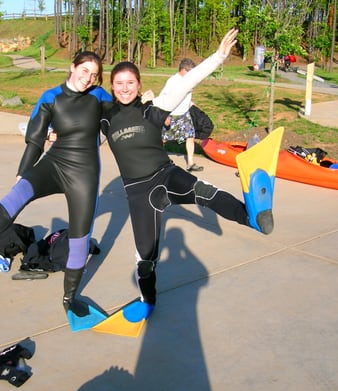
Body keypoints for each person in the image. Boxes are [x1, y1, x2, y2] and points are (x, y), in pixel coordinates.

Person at [100, 28, 273, 308]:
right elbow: (80, 136)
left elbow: (185, 82)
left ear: (139, 84)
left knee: (206, 192)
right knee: (145, 259)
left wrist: (218, 57)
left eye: (130, 82)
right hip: (138, 193)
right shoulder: (105, 119)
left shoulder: (152, 109)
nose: (124, 87)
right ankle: (148, 301)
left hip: (167, 176)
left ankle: (252, 217)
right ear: (111, 86)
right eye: (119, 83)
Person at [0, 51, 112, 316]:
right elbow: (35, 139)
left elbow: (123, 111)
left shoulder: (98, 96)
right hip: (55, 164)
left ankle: (69, 299)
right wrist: (23, 172)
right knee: (18, 194)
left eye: (94, 75)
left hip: (84, 174)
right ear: (72, 67)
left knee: (80, 238)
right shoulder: (51, 97)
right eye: (85, 71)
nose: (89, 78)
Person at [160, 58, 203, 172]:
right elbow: (163, 98)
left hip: (184, 114)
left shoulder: (188, 80)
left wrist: (190, 103)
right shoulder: (173, 81)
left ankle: (190, 163)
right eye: (190, 72)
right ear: (184, 70)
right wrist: (165, 115)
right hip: (172, 115)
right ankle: (155, 160)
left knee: (190, 137)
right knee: (163, 140)